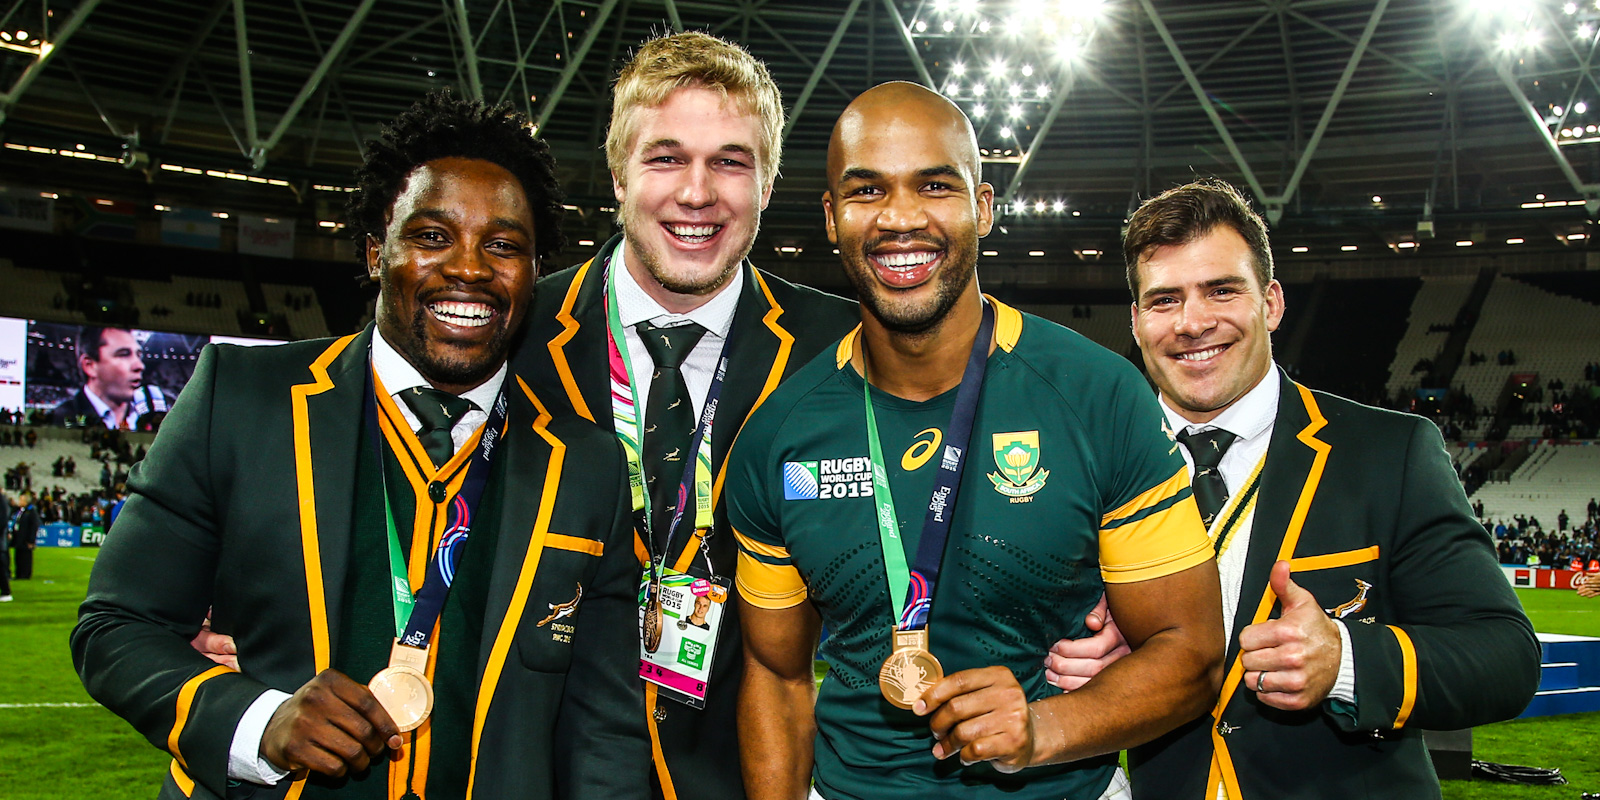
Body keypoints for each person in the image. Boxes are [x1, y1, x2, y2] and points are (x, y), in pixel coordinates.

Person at [71, 91, 649, 800]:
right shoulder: (242, 398)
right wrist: (260, 723)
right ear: (378, 251)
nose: (469, 268)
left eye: (503, 246)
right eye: (432, 236)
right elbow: (117, 624)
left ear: (534, 273)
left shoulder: (588, 464)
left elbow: (603, 728)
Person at [728, 82, 1224, 800]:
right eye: (867, 191)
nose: (901, 217)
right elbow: (776, 678)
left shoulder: (1098, 396)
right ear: (832, 217)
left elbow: (1192, 653)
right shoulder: (778, 437)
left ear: (983, 207)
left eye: (935, 185)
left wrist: (1042, 730)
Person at [1044, 178, 1540, 799]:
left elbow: (1506, 657)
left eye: (1222, 290)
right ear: (1138, 322)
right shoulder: (1091, 468)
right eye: (1165, 300)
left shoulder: (1390, 452)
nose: (1193, 323)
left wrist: (1344, 660)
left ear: (1272, 303)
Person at [510, 31, 857, 800]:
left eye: (730, 161)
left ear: (767, 184)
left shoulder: (842, 350)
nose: (697, 193)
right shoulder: (517, 335)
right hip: (548, 770)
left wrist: (1081, 609)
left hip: (750, 772)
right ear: (619, 174)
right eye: (666, 158)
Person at [50, 326, 171, 429]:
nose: (140, 366)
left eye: (138, 355)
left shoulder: (147, 416)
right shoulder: (59, 419)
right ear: (90, 365)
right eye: (124, 354)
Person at [10, 491, 38, 581]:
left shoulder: (31, 511)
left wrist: (31, 540)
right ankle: (18, 574)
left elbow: (34, 526)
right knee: (18, 556)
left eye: (21, 500)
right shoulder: (21, 510)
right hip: (19, 538)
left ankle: (25, 574)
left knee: (25, 557)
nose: (19, 501)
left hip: (26, 539)